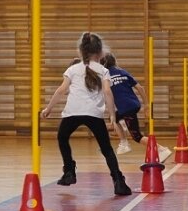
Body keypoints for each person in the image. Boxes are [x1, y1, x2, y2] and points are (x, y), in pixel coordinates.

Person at [41, 32, 132, 196]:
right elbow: (107, 92)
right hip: (93, 114)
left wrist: (48, 108)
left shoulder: (73, 69)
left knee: (62, 137)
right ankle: (118, 181)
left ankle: (69, 171)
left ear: (81, 51)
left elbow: (61, 90)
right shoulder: (103, 70)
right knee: (106, 149)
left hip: (73, 112)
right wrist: (112, 114)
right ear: (99, 52)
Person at [100, 52, 172, 163]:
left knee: (137, 136)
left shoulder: (106, 77)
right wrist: (146, 104)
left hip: (126, 108)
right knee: (115, 118)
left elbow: (107, 93)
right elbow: (140, 88)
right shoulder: (123, 72)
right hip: (133, 104)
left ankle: (162, 149)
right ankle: (124, 141)